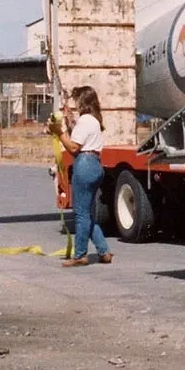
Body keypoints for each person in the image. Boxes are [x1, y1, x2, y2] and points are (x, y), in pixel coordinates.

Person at [53, 86, 113, 267]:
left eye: (77, 100)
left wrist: (58, 131)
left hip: (84, 165)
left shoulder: (85, 120)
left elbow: (73, 147)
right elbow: (78, 137)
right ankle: (103, 251)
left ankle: (80, 254)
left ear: (82, 102)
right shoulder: (93, 120)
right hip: (95, 165)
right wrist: (70, 121)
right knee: (88, 215)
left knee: (80, 214)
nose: (75, 104)